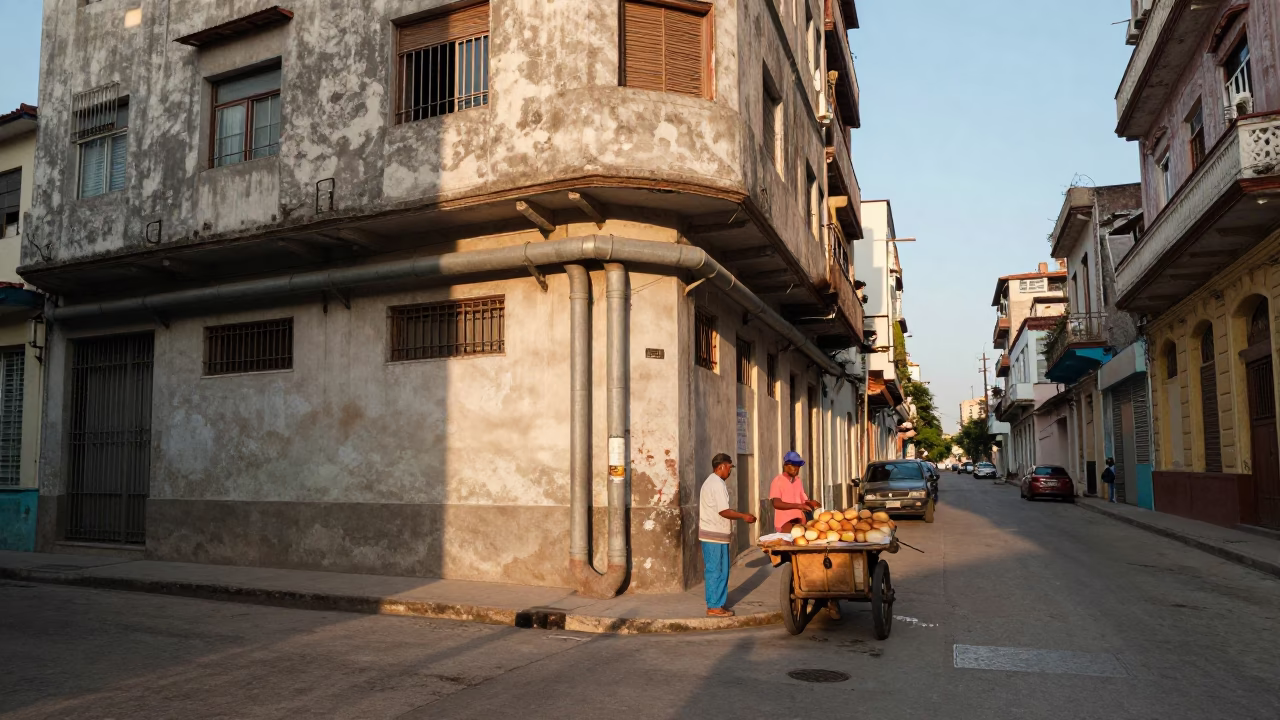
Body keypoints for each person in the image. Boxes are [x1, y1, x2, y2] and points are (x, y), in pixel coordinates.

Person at [699, 453, 756, 618]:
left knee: (721, 570)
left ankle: (716, 603)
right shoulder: (716, 484)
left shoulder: (713, 482)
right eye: (729, 467)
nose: (730, 471)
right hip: (713, 535)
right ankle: (714, 605)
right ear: (722, 466)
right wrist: (743, 516)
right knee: (715, 570)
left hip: (717, 534)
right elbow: (724, 511)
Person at [769, 451, 821, 533]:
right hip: (785, 525)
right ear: (785, 465)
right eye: (793, 465)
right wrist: (798, 506)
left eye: (798, 466)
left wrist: (811, 504)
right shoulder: (777, 481)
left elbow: (803, 501)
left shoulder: (798, 480)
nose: (796, 468)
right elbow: (776, 503)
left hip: (800, 523)